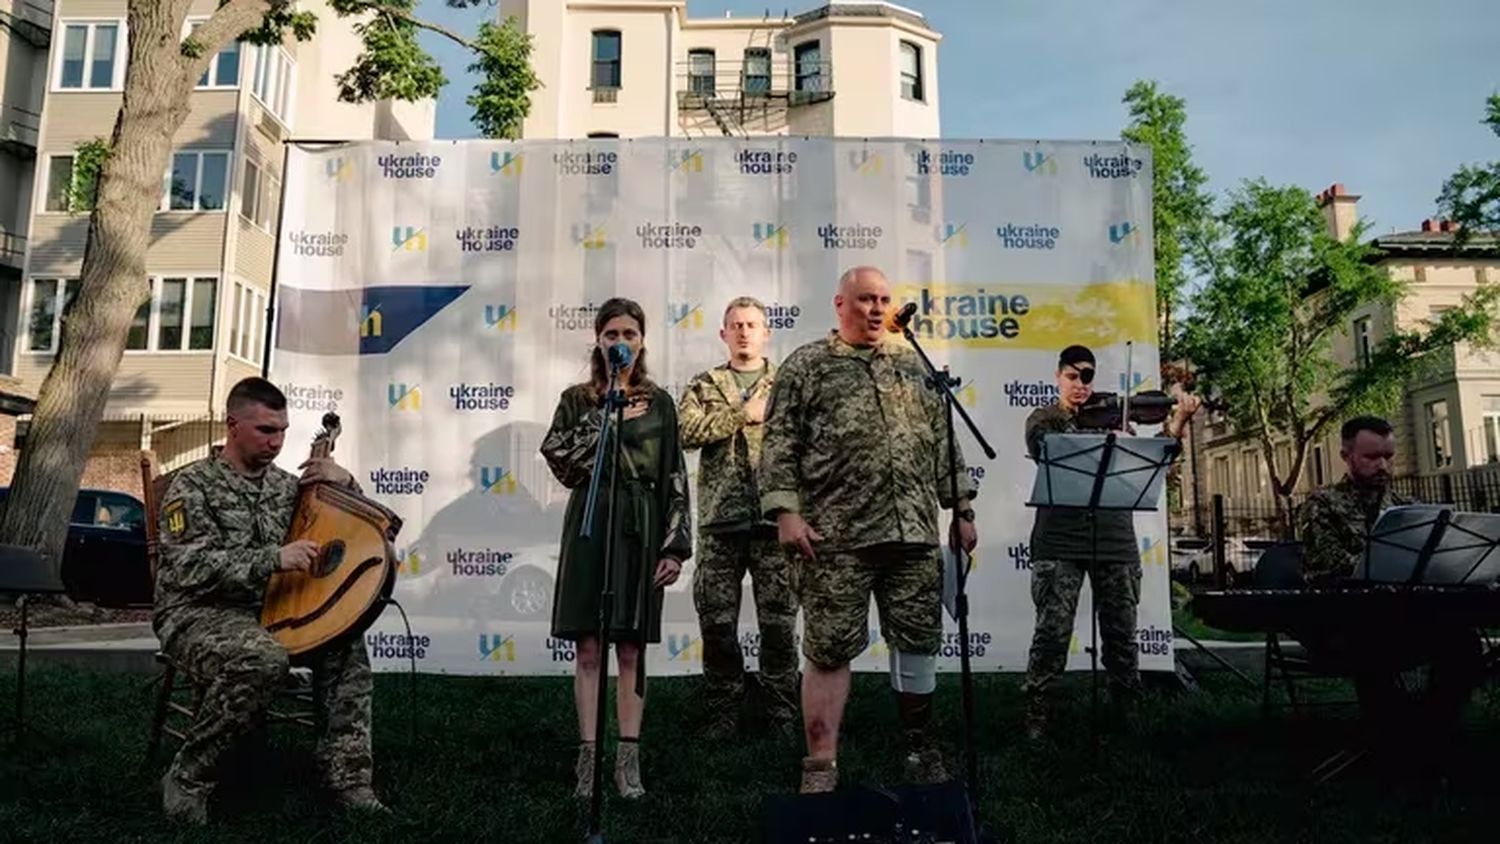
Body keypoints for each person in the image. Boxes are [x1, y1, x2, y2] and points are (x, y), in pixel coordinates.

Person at [758, 266, 978, 794]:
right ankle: (821, 766)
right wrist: (785, 512)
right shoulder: (808, 365)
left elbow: (942, 440)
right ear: (839, 304)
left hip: (914, 534)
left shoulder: (912, 365)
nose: (876, 309)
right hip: (837, 538)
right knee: (829, 650)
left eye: (883, 299)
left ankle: (919, 749)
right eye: (865, 299)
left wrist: (963, 507)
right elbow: (779, 442)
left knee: (920, 641)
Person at [154, 377, 383, 825]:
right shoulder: (192, 486)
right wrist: (273, 559)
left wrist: (346, 481)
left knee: (347, 645)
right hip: (199, 613)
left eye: (281, 431)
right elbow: (189, 570)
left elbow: (365, 528)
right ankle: (188, 777)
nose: (276, 442)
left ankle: (347, 777)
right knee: (261, 660)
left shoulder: (288, 488)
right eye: (265, 431)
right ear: (232, 425)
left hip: (275, 610)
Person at [540, 297, 692, 801]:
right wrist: (608, 419)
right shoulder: (577, 398)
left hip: (640, 525)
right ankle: (587, 759)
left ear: (641, 341)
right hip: (590, 519)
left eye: (629, 334)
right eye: (611, 335)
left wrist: (674, 546)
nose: (620, 343)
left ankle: (628, 760)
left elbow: (675, 474)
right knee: (588, 645)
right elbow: (560, 459)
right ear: (598, 341)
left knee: (630, 646)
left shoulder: (661, 402)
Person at [1021, 345, 1199, 740]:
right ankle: (1039, 712)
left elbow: (1160, 465)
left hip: (1114, 538)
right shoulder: (1044, 418)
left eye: (1088, 377)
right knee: (1052, 633)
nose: (1081, 385)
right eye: (1073, 376)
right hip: (1060, 541)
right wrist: (1102, 438)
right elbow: (1043, 445)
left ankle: (1127, 711)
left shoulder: (1120, 423)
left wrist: (1179, 420)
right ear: (1058, 376)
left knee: (1121, 632)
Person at [1295, 416, 1483, 746]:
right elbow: (1330, 567)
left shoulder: (1405, 507)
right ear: (1346, 456)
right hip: (1341, 620)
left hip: (1401, 615)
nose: (1382, 465)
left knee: (1463, 642)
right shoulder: (1321, 504)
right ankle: (1394, 737)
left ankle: (1431, 726)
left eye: (1388, 456)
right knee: (1373, 639)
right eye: (1371, 457)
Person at [679, 296, 800, 738]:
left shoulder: (787, 383)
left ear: (767, 332)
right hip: (720, 525)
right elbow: (686, 432)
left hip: (775, 523)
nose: (744, 331)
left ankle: (784, 714)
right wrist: (740, 415)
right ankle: (723, 713)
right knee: (717, 626)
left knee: (779, 627)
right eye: (736, 325)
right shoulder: (705, 383)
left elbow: (807, 439)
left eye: (752, 324)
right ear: (723, 334)